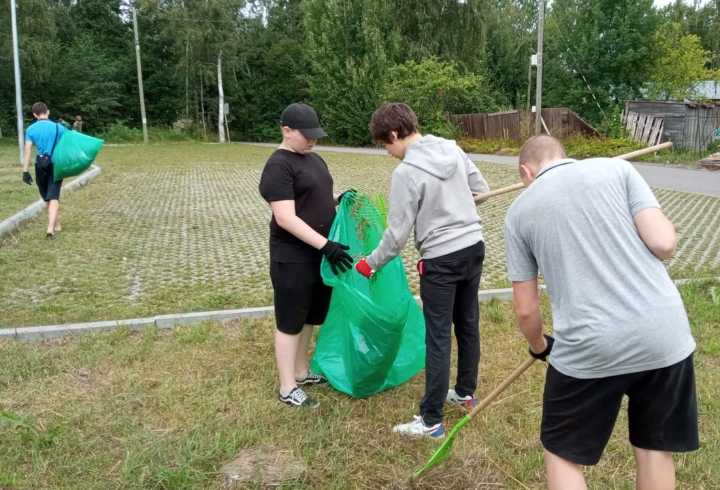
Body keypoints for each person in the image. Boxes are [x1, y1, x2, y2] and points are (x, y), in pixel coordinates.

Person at [504, 135, 698, 490]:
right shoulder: (619, 169)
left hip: (589, 346)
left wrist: (538, 346)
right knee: (655, 447)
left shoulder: (518, 211)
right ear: (565, 156)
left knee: (563, 453)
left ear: (525, 172)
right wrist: (666, 227)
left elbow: (526, 309)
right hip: (663, 334)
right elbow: (663, 243)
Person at [355, 102, 490, 438]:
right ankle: (465, 393)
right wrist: (455, 201)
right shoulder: (451, 149)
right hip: (473, 248)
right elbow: (483, 192)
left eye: (385, 145)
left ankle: (431, 421)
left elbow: (397, 234)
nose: (388, 152)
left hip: (442, 261)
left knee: (439, 337)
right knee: (468, 323)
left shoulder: (406, 172)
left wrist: (369, 264)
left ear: (395, 133)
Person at [258, 103, 353, 408]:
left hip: (318, 256)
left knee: (311, 315)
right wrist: (326, 245)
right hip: (294, 257)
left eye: (316, 135)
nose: (313, 140)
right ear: (286, 131)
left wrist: (341, 198)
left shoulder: (314, 159)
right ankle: (287, 388)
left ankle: (301, 371)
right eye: (306, 135)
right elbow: (286, 217)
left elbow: (319, 198)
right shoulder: (278, 166)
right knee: (290, 320)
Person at [22, 102, 67, 239]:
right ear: (48, 111)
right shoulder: (59, 128)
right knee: (53, 196)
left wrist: (25, 171)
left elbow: (27, 149)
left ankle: (53, 226)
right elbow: (68, 143)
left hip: (39, 165)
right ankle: (52, 226)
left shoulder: (30, 129)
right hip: (56, 164)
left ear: (34, 114)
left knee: (47, 197)